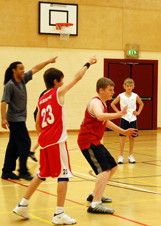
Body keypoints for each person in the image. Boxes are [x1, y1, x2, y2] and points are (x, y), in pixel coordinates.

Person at [13, 56, 97, 224]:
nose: (63, 83)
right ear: (56, 81)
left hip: (44, 141)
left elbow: (37, 123)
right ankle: (59, 213)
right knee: (63, 175)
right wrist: (88, 63)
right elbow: (77, 78)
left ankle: (23, 204)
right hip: (57, 141)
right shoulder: (57, 92)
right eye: (61, 81)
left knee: (41, 174)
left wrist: (42, 137)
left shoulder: (42, 98)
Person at [77, 77, 138, 214]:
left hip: (95, 140)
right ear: (101, 90)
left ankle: (94, 194)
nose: (113, 92)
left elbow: (106, 122)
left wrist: (124, 132)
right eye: (110, 90)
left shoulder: (103, 104)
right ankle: (95, 204)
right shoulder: (96, 102)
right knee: (104, 170)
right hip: (88, 141)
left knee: (113, 167)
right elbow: (99, 116)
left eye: (113, 90)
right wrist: (119, 114)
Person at [1, 57, 57, 181]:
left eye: (23, 69)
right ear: (13, 70)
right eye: (20, 69)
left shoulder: (22, 80)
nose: (23, 71)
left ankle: (6, 171)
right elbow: (4, 102)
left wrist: (48, 61)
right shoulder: (10, 85)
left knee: (13, 146)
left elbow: (36, 68)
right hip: (15, 119)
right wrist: (3, 119)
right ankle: (22, 171)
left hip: (20, 118)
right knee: (25, 143)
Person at [111, 78, 144, 164]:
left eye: (130, 86)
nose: (129, 87)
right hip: (124, 118)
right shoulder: (121, 95)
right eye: (127, 86)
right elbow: (112, 104)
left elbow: (141, 104)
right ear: (124, 86)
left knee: (132, 137)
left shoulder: (135, 95)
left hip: (133, 119)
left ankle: (130, 155)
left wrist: (138, 112)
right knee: (123, 137)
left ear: (133, 86)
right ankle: (121, 156)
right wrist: (119, 112)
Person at [28, 90, 47, 162]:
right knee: (44, 136)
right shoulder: (47, 93)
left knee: (45, 136)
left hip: (43, 115)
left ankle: (32, 151)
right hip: (41, 115)